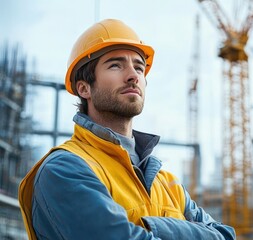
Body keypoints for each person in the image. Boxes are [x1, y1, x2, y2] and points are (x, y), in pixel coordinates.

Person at [18, 19, 236, 240]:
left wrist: (153, 228)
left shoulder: (167, 182)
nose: (133, 75)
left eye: (139, 67)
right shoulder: (64, 169)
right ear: (84, 88)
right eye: (115, 65)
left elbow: (225, 235)